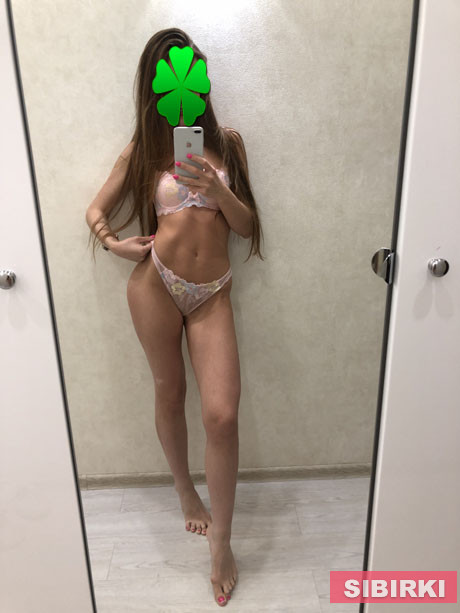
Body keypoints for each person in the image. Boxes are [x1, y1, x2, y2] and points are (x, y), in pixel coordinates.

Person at [86, 27, 264, 607]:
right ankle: (186, 492)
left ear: (201, 78)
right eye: (169, 75)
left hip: (212, 292)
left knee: (222, 416)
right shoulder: (143, 149)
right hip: (155, 284)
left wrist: (216, 186)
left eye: (190, 71)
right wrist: (113, 242)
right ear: (154, 87)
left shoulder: (227, 144)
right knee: (170, 392)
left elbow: (246, 227)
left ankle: (222, 542)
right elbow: (95, 208)